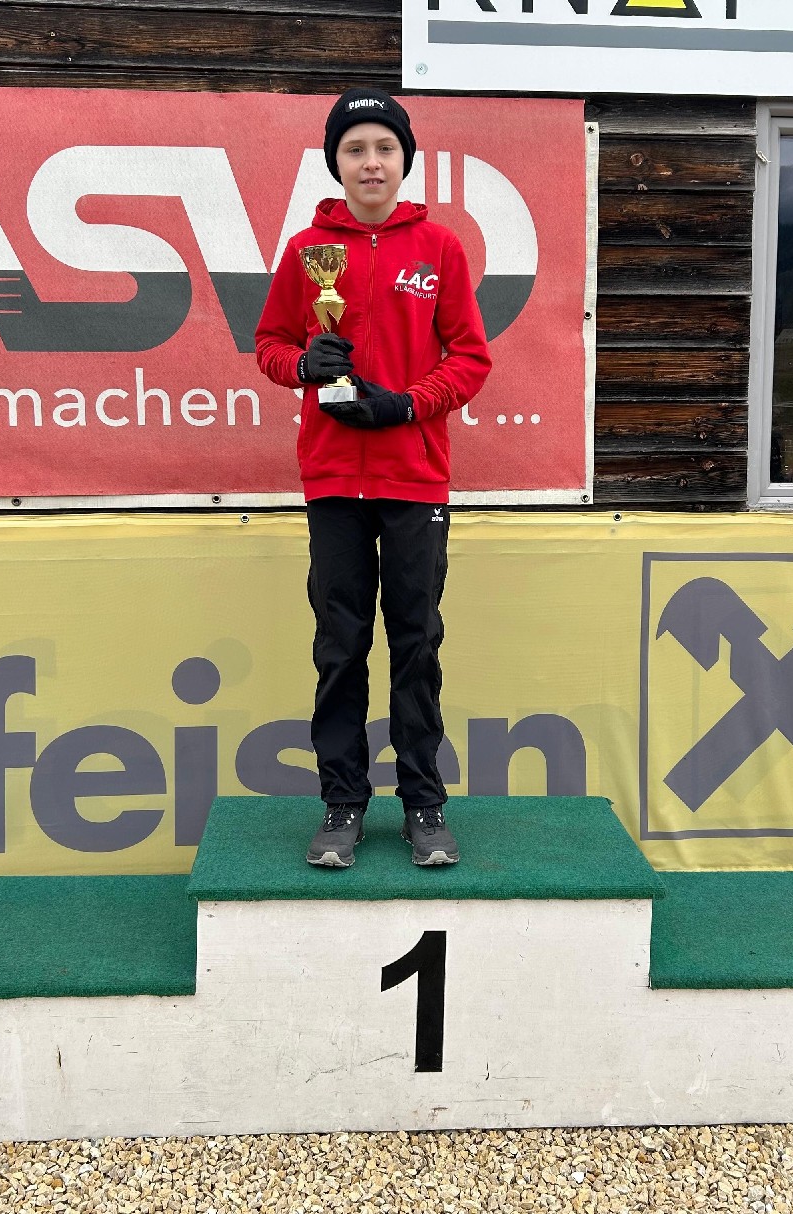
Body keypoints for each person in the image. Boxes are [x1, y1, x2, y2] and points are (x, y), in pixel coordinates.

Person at [255, 88, 492, 868]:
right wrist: (303, 364)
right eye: (355, 148)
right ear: (336, 162)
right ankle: (343, 804)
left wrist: (407, 405)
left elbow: (470, 358)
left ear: (404, 161)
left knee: (416, 645)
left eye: (384, 148)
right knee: (340, 646)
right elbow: (269, 344)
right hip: (332, 480)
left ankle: (423, 804)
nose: (370, 162)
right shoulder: (306, 251)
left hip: (415, 478)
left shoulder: (440, 248)